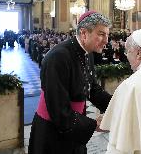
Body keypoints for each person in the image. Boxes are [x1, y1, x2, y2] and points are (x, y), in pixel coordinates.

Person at [28, 11, 112, 154]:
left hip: (74, 125)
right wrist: (94, 125)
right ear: (84, 33)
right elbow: (58, 109)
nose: (106, 40)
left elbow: (92, 89)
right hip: (52, 132)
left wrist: (117, 105)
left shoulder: (88, 53)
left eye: (107, 35)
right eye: (101, 34)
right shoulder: (58, 57)